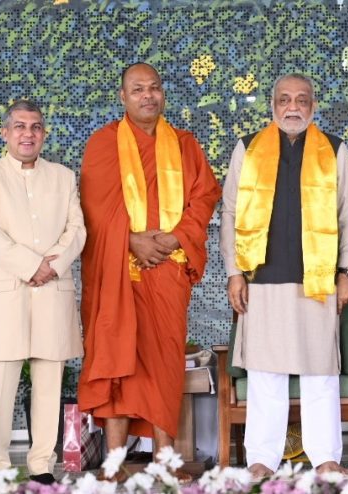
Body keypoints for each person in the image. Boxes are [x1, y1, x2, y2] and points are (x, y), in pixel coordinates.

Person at [77, 62, 221, 480]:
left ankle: (165, 461)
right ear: (123, 97)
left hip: (167, 273)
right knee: (117, 360)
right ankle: (115, 462)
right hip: (120, 271)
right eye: (137, 89)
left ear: (163, 93)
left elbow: (205, 196)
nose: (147, 96)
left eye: (154, 88)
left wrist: (176, 238)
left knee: (164, 365)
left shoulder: (185, 143)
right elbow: (94, 209)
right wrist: (133, 241)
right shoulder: (103, 143)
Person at [220, 73, 348, 478]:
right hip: (261, 276)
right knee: (266, 371)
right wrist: (234, 272)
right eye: (284, 99)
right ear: (273, 105)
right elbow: (230, 213)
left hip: (317, 279)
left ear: (313, 106)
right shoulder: (248, 149)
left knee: (320, 370)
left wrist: (346, 271)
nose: (293, 107)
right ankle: (262, 460)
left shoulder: (333, 149)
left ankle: (326, 458)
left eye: (301, 99)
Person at [0, 99, 86, 484]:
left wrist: (53, 264)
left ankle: (41, 465)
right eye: (19, 126)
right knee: (1, 385)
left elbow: (77, 230)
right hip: (10, 292)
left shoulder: (63, 177)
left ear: (44, 133)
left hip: (53, 289)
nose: (27, 134)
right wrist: (31, 265)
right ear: (5, 132)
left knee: (50, 384)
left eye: (35, 127)